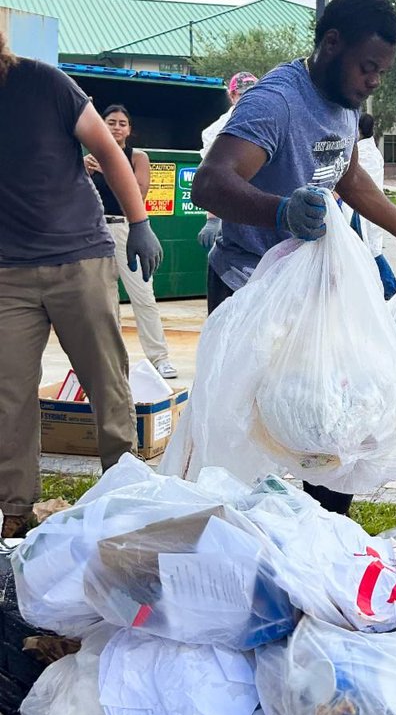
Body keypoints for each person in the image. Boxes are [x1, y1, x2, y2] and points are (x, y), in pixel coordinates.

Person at [192, 0, 396, 516]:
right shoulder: (276, 103)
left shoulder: (345, 103)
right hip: (252, 289)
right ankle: (235, 542)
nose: (374, 81)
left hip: (311, 290)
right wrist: (279, 211)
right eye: (367, 68)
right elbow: (210, 183)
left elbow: (349, 177)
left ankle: (325, 536)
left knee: (335, 422)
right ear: (331, 44)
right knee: (248, 434)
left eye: (382, 71)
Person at [0, 33, 162, 534]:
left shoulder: (43, 82)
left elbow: (109, 151)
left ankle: (125, 493)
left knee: (106, 381)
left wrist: (139, 221)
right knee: (8, 394)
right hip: (8, 273)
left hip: (80, 260)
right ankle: (15, 514)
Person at [84, 104, 178, 380]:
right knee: (105, 300)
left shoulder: (137, 157)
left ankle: (160, 358)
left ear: (130, 129)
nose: (116, 127)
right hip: (97, 230)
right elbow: (76, 194)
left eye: (122, 123)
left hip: (129, 230)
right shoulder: (89, 158)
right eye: (111, 122)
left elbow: (138, 192)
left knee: (143, 296)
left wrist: (106, 168)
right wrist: (86, 172)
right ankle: (111, 361)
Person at [197, 71, 258, 253]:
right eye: (242, 94)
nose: (249, 99)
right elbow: (213, 177)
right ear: (231, 96)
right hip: (232, 211)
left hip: (266, 210)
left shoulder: (271, 120)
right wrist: (212, 219)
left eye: (254, 93)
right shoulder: (215, 131)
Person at [349, 111, 396, 298]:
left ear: (360, 130)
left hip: (364, 209)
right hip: (364, 208)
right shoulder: (369, 150)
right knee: (366, 250)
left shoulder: (365, 152)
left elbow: (356, 182)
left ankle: (391, 289)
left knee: (372, 250)